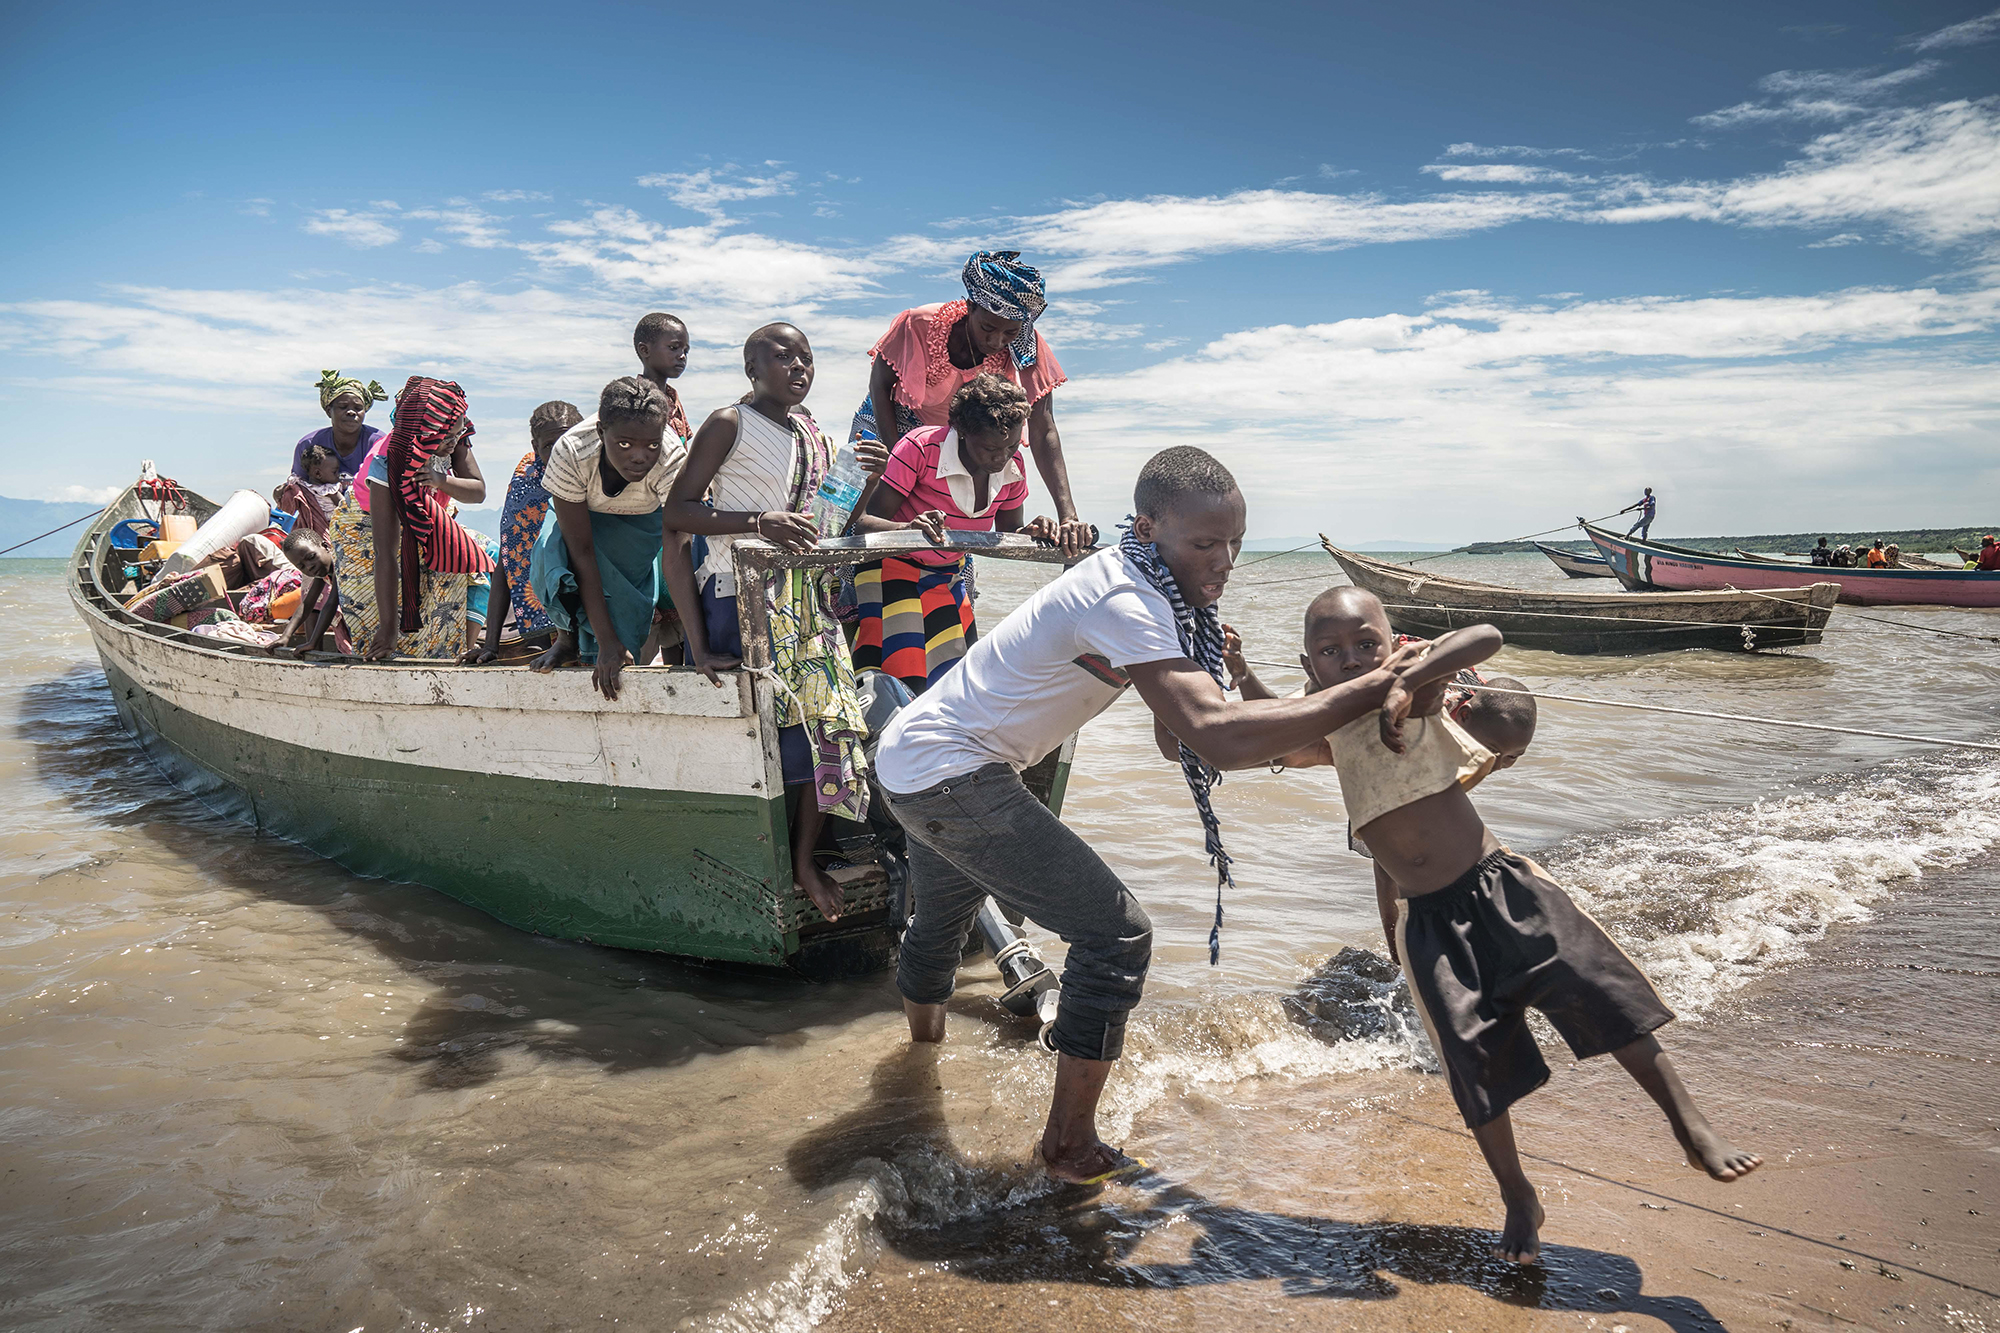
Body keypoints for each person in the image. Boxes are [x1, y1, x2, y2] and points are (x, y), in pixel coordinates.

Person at [874, 446, 1429, 1185]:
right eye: (1205, 543)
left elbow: (1179, 739)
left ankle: (919, 1066)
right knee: (1118, 933)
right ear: (1148, 525)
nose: (1224, 559)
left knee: (941, 924)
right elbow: (1212, 737)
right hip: (949, 770)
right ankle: (1069, 1146)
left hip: (920, 761)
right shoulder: (1127, 599)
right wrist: (1370, 688)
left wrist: (1261, 707)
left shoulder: (1160, 591)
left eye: (1234, 541)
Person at [1282, 586, 1761, 1263]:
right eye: (1332, 653)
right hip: (1430, 927)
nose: (1353, 659)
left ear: (1394, 644)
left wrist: (1412, 676)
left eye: (1368, 643)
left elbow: (1483, 637)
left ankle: (1689, 1120)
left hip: (1499, 885)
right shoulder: (1329, 728)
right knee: (1473, 1066)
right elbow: (1273, 734)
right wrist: (1240, 677)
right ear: (1310, 666)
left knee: (1597, 985)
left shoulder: (1415, 696)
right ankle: (1517, 1195)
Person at [662, 323, 872, 924]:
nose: (798, 366)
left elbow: (826, 525)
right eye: (782, 357)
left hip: (807, 603)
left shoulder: (815, 434)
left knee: (829, 728)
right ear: (752, 369)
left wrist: (871, 480)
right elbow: (678, 514)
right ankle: (771, 863)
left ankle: (804, 860)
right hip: (740, 596)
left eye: (806, 357)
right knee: (771, 739)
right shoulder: (730, 422)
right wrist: (760, 522)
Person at [854, 251, 1092, 560]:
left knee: (944, 532)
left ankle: (946, 588)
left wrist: (1068, 515)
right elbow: (880, 385)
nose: (997, 341)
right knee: (864, 517)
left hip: (958, 437)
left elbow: (1043, 426)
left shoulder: (1025, 346)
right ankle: (842, 589)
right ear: (971, 307)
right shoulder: (921, 323)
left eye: (1010, 332)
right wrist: (895, 459)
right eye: (988, 328)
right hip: (890, 419)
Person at [849, 374, 1059, 693]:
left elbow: (1008, 531)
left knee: (959, 681)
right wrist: (910, 529)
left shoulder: (1012, 465)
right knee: (902, 679)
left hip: (947, 575)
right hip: (890, 569)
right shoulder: (920, 449)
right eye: (990, 448)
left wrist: (1032, 531)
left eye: (1011, 445)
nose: (1001, 457)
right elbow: (865, 523)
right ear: (960, 432)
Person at [523, 378, 688, 696]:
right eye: (625, 444)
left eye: (649, 445)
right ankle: (568, 640)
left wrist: (700, 650)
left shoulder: (668, 454)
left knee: (626, 600)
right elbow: (581, 550)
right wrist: (606, 642)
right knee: (549, 550)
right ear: (601, 433)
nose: (640, 455)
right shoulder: (572, 450)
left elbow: (679, 546)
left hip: (642, 520)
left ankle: (622, 651)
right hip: (584, 518)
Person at [329, 377, 493, 661]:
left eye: (458, 434)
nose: (455, 442)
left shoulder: (452, 434)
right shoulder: (388, 461)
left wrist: (440, 480)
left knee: (462, 573)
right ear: (426, 433)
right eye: (448, 436)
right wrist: (389, 628)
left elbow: (477, 492)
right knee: (385, 612)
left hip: (427, 519)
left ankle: (456, 652)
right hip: (365, 530)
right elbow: (385, 553)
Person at [462, 401, 583, 665]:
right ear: (535, 447)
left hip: (599, 618)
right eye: (550, 446)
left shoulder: (602, 476)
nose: (562, 452)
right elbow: (509, 559)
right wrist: (491, 644)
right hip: (543, 625)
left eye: (569, 441)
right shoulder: (527, 485)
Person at [293, 371, 388, 479]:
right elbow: (297, 485)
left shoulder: (378, 444)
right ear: (329, 411)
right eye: (343, 407)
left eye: (358, 408)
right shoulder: (309, 444)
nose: (351, 412)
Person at [633, 311, 694, 442]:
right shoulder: (633, 399)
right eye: (673, 347)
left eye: (685, 351)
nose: (682, 356)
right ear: (644, 350)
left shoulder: (673, 399)